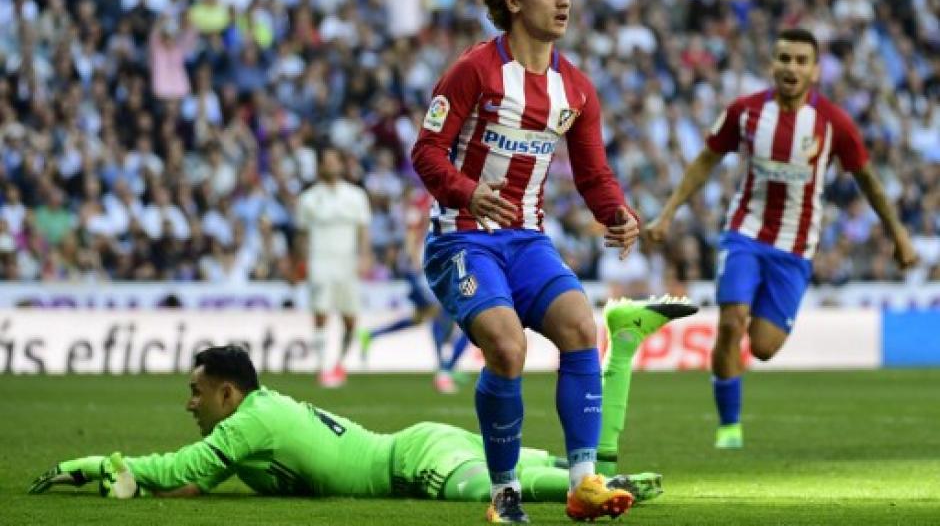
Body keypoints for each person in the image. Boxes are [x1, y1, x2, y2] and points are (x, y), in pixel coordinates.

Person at [410, 0, 652, 523]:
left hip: (526, 237)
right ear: (514, 1)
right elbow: (426, 150)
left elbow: (592, 172)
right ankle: (504, 494)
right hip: (462, 237)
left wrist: (616, 211)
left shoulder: (578, 90)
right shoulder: (474, 70)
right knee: (507, 347)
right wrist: (467, 192)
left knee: (579, 326)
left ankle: (582, 483)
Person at [29, 299, 695, 506]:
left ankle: (606, 486)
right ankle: (625, 343)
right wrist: (122, 484)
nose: (189, 403)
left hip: (414, 462)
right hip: (418, 441)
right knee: (582, 458)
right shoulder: (253, 422)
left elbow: (175, 470)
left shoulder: (251, 419)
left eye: (196, 392)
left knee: (500, 491)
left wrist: (100, 462)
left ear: (227, 392)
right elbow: (192, 485)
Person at [644, 27, 919, 450]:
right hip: (745, 233)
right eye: (784, 58)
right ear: (772, 64)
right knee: (731, 320)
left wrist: (898, 233)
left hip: (795, 246)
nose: (791, 67)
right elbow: (705, 161)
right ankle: (729, 427)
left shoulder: (833, 124)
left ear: (814, 71)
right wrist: (667, 213)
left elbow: (869, 181)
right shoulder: (746, 112)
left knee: (765, 346)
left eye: (800, 60)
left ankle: (738, 369)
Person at [358, 184, 469, 394]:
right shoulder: (427, 201)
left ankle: (371, 335)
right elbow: (413, 230)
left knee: (423, 316)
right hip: (424, 266)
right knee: (442, 314)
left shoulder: (441, 198)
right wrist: (413, 261)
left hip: (431, 264)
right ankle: (444, 370)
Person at [295, 146, 372, 388]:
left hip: (347, 261)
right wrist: (300, 262)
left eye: (333, 161)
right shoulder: (308, 199)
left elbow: (363, 231)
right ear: (319, 167)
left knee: (350, 319)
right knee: (320, 314)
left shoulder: (356, 195)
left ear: (341, 164)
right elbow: (301, 234)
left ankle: (339, 362)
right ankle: (321, 366)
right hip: (320, 260)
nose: (330, 166)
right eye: (325, 162)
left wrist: (365, 256)